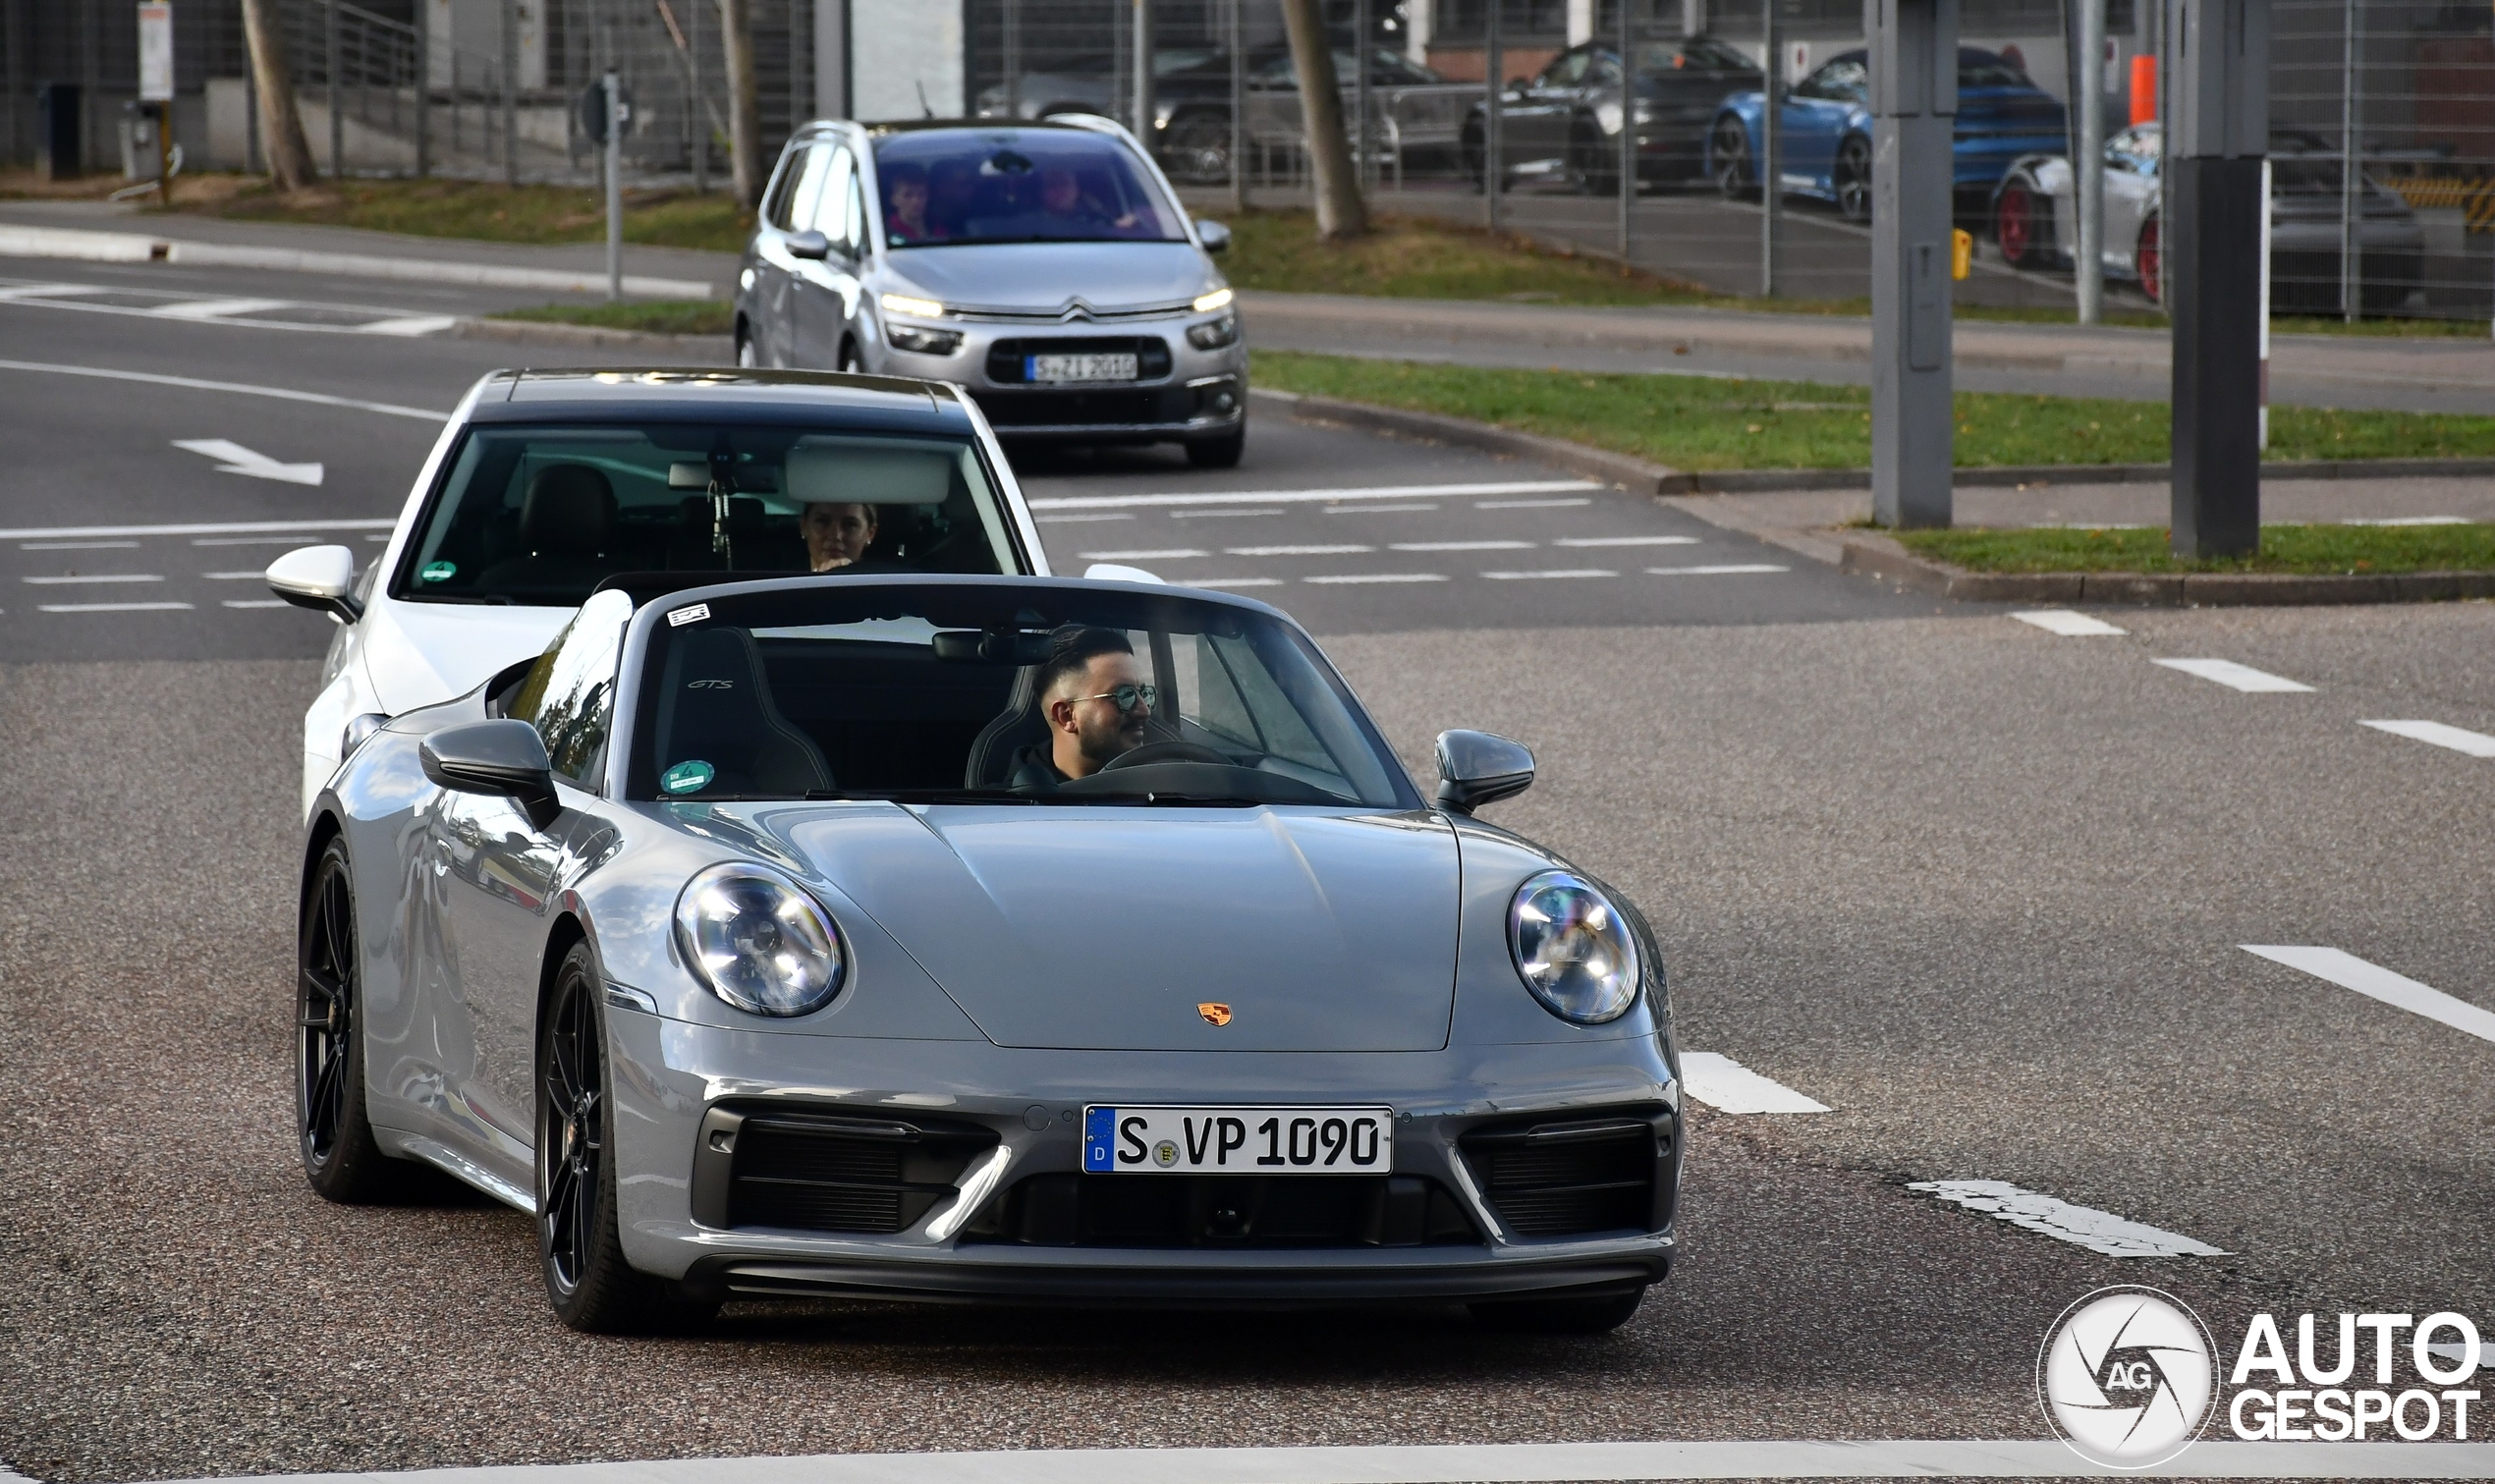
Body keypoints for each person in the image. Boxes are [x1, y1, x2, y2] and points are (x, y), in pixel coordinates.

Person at [1012, 626, 1153, 788]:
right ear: (1066, 716)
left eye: (1144, 693)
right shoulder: (1009, 809)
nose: (1145, 711)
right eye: (1123, 695)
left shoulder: (1168, 790)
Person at [802, 501, 877, 572]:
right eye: (822, 521)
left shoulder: (882, 581)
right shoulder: (790, 579)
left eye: (850, 525)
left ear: (870, 534)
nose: (836, 535)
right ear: (804, 526)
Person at [882, 162, 942, 244]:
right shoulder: (885, 233)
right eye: (907, 195)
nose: (916, 201)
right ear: (894, 200)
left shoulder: (938, 228)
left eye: (921, 194)